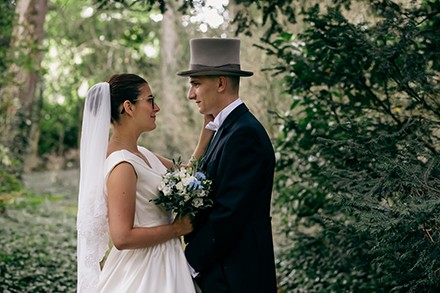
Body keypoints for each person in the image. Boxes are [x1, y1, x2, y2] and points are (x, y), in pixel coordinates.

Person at [76, 73, 213, 293]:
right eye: (150, 100)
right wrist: (176, 229)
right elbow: (122, 237)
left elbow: (188, 172)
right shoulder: (122, 165)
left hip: (168, 260)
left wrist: (207, 129)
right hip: (143, 271)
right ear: (129, 107)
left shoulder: (142, 154)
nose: (156, 107)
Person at [177, 38, 278, 292]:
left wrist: (187, 263)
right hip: (222, 273)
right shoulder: (224, 129)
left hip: (237, 277)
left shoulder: (244, 135)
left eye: (196, 84)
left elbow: (228, 215)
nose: (191, 95)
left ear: (221, 83)